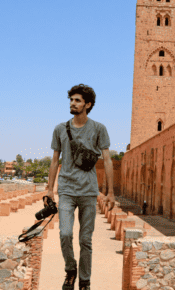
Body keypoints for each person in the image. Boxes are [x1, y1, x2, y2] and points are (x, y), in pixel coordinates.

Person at [47, 84, 114, 290]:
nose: (72, 103)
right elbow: (54, 161)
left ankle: (85, 281)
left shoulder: (99, 129)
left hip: (88, 191)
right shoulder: (60, 129)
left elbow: (107, 160)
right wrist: (49, 189)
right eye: (71, 100)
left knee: (86, 240)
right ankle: (70, 270)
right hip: (66, 190)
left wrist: (110, 192)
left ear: (88, 104)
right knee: (65, 234)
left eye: (77, 100)